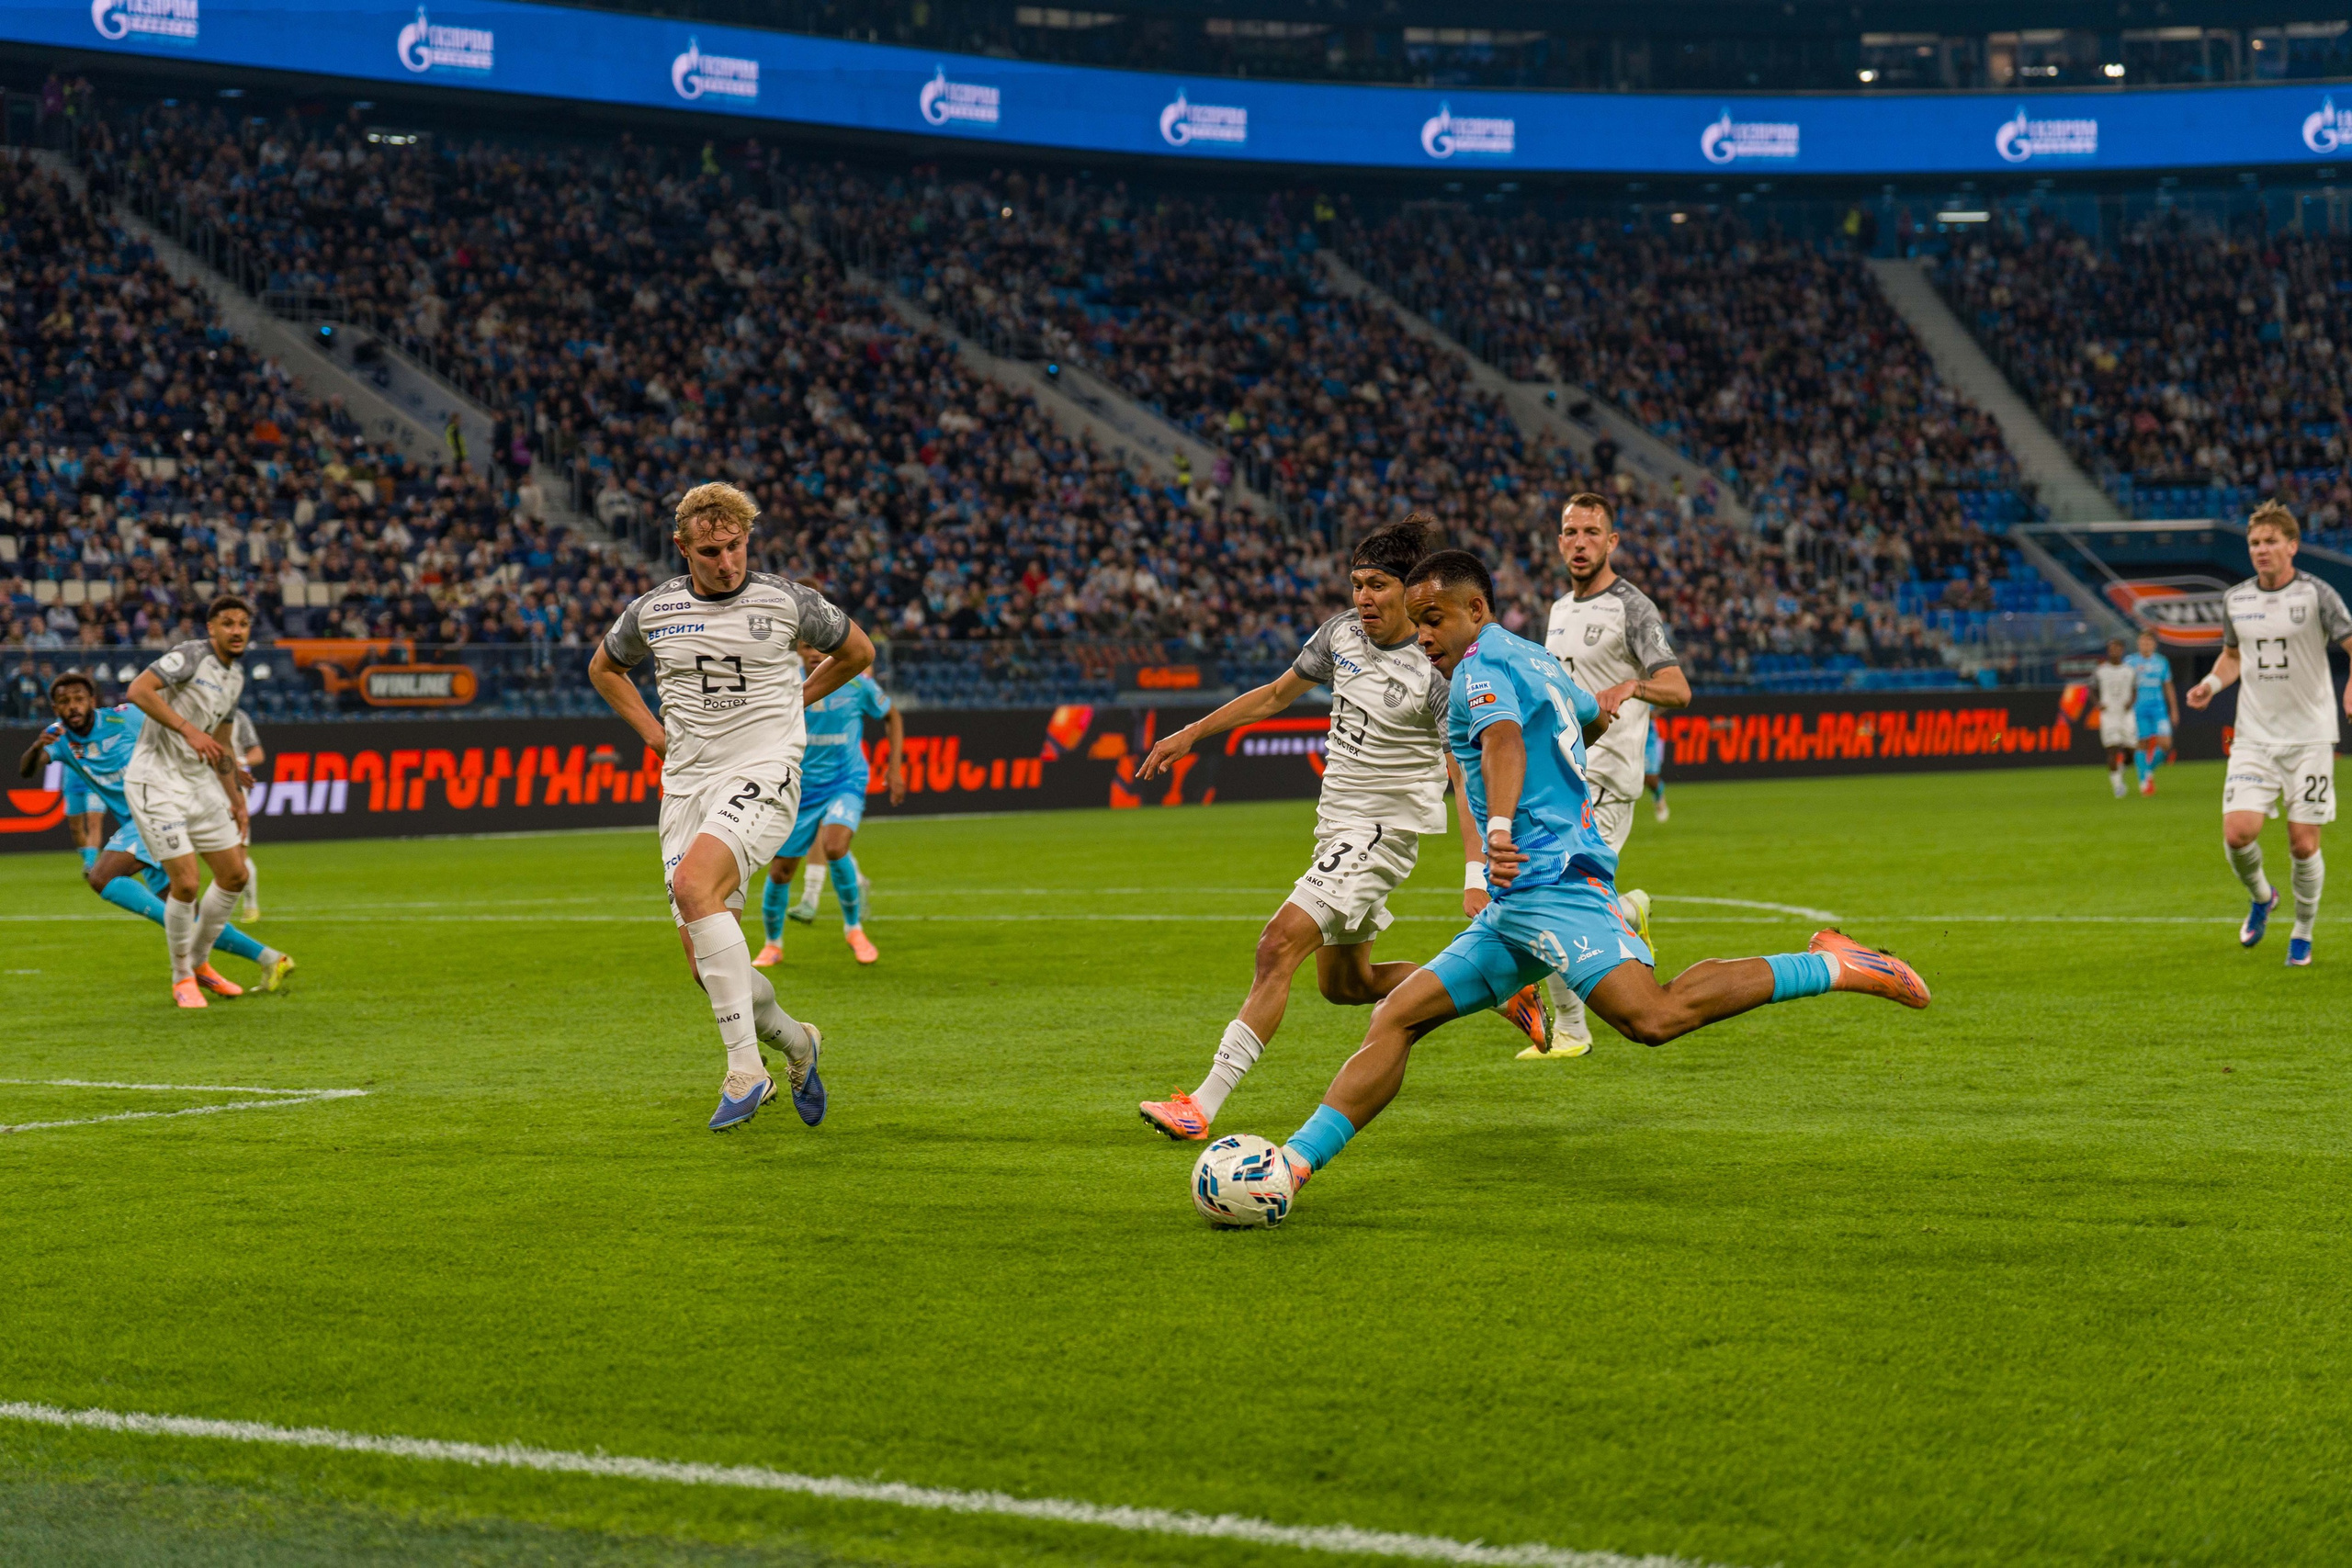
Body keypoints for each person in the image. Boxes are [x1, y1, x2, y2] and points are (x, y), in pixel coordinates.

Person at [1233, 550, 1931, 1220]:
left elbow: (1504, 739)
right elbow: (1591, 716)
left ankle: (1836, 962)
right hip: (1520, 899)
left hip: (1554, 885)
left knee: (1651, 1018)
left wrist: (1502, 828)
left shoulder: (1480, 667)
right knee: (1397, 1015)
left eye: (1435, 618)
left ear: (1476, 609)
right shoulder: (1534, 658)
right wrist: (1554, 794)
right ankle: (1292, 1167)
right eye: (1418, 623)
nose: (1424, 636)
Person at [1131, 517, 1550, 1143]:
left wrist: (1475, 873)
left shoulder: (1439, 671)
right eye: (1356, 583)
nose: (1362, 598)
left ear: (1411, 592)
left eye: (1377, 585)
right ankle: (1496, 986)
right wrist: (1191, 732)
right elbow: (1276, 694)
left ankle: (1202, 1103)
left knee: (1277, 946)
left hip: (1381, 834)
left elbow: (1462, 774)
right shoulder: (1341, 635)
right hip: (1337, 830)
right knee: (1346, 985)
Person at [589, 481, 875, 1130]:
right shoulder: (651, 611)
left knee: (694, 885)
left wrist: (796, 699)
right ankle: (799, 1042)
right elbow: (605, 669)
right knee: (710, 968)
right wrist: (652, 733)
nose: (727, 561)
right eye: (711, 550)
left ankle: (746, 1070)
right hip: (687, 787)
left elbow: (858, 652)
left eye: (736, 545)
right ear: (683, 547)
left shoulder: (785, 600)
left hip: (765, 770)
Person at [1533, 492, 1690, 1058]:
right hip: (1560, 772)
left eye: (1591, 533)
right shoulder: (1557, 610)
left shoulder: (1633, 608)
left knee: (1551, 895)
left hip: (1608, 778)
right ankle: (1574, 1024)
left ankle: (1573, 1026)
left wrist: (1634, 685)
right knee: (1545, 892)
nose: (1580, 543)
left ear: (1611, 541)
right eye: (1570, 532)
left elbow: (1678, 687)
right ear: (1559, 541)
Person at [17, 672, 290, 991]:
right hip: (139, 825)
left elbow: (182, 730)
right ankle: (272, 959)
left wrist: (223, 767)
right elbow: (27, 769)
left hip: (159, 811)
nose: (72, 707)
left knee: (101, 877)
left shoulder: (126, 717)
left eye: (79, 699)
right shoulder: (61, 740)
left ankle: (182, 937)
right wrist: (37, 744)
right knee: (192, 912)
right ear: (55, 707)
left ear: (92, 701)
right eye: (64, 702)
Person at [2184, 501, 2352, 966]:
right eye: (2255, 543)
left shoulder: (2317, 595)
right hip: (2255, 736)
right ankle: (2262, 896)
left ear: (2292, 546)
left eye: (2270, 541)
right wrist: (2212, 683)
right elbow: (2233, 657)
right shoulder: (2236, 599)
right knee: (2238, 834)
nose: (2261, 549)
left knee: (2303, 843)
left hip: (2311, 738)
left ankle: (2303, 928)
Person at [123, 597, 268, 1010]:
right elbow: (138, 690)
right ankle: (181, 975)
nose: (237, 630)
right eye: (227, 623)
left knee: (235, 875)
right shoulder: (190, 655)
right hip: (156, 779)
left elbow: (221, 744)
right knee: (185, 883)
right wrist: (188, 730)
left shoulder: (235, 678)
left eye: (243, 624)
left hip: (199, 782)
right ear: (211, 629)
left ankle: (202, 964)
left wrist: (236, 799)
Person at [753, 650, 906, 968]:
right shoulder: (782, 683)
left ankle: (854, 929)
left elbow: (892, 715)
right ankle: (773, 945)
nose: (813, 653)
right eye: (807, 646)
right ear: (797, 651)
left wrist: (894, 769)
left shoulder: (857, 684)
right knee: (781, 871)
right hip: (799, 788)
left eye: (821, 647)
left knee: (835, 846)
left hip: (845, 781)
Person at [2128, 628, 2178, 795]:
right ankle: (2144, 782)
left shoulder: (2161, 662)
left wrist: (2174, 709)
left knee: (2165, 744)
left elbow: (2168, 686)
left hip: (2159, 709)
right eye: (2142, 642)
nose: (2145, 645)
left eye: (2148, 642)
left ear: (2154, 645)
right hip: (2138, 709)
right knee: (2141, 744)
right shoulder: (2130, 662)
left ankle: (2147, 771)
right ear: (2138, 644)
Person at [2091, 638, 2140, 800]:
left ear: (2123, 650)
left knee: (2131, 752)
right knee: (2111, 748)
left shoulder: (2129, 670)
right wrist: (2098, 704)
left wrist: (2131, 702)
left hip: (2126, 715)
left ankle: (2120, 770)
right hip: (2109, 715)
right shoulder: (2100, 671)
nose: (2114, 651)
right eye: (2111, 648)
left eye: (2117, 648)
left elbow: (2134, 691)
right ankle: (2118, 786)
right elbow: (2091, 690)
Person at [232, 706, 266, 919]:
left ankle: (251, 905)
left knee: (238, 854)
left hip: (231, 788)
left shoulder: (237, 717)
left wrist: (241, 762)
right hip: (195, 788)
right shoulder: (186, 712)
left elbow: (257, 752)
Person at [1644, 725, 1669, 823]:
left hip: (1648, 739)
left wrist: (1654, 713)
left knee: (1651, 778)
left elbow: (1661, 708)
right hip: (1629, 736)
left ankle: (1658, 796)